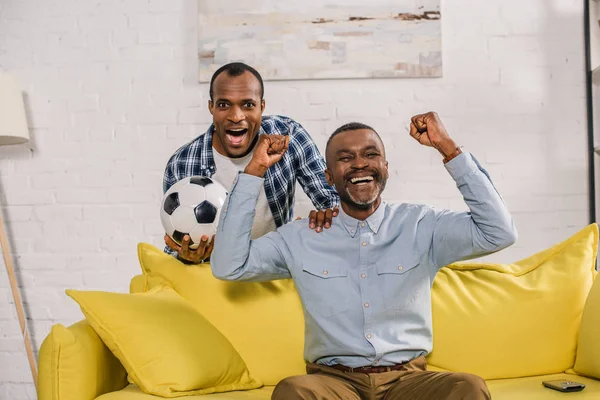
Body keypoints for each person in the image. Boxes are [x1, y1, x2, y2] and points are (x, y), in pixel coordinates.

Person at [211, 112, 517, 400]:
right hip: (334, 382)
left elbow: (499, 232)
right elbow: (229, 265)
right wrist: (254, 171)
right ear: (329, 176)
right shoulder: (301, 237)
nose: (359, 164)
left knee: (468, 387)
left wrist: (446, 147)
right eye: (345, 158)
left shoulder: (422, 225)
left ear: (386, 167)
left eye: (370, 155)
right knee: (293, 391)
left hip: (408, 381)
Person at [163, 62, 339, 264]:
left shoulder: (288, 137)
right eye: (223, 105)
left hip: (274, 268)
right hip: (213, 274)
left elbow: (332, 202)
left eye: (248, 105)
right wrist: (187, 257)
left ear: (262, 106)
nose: (236, 116)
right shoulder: (181, 164)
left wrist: (315, 227)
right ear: (211, 107)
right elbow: (174, 247)